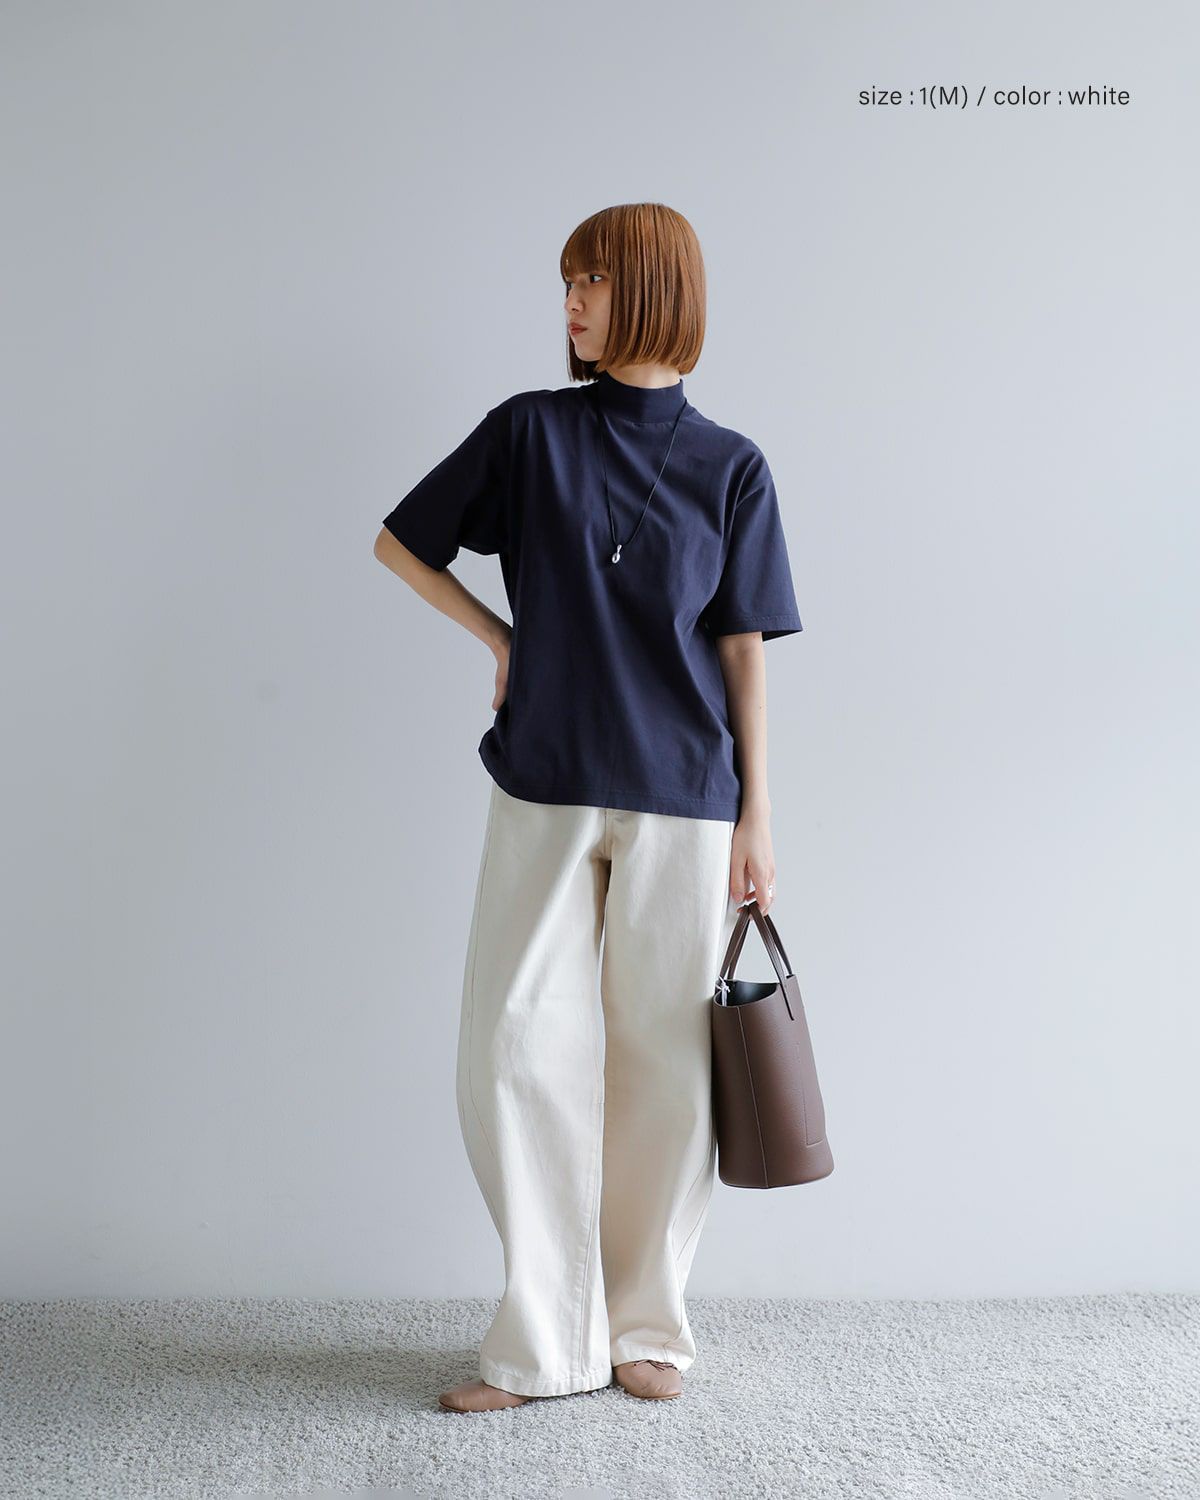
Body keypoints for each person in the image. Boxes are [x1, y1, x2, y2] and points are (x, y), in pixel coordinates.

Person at [373, 202, 804, 1412]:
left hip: (685, 794)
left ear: (657, 290)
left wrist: (760, 815)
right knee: (515, 1051)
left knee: (668, 1068)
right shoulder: (529, 433)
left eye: (595, 280)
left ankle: (646, 1327)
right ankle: (541, 1342)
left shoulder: (733, 467)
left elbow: (743, 650)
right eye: (567, 279)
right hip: (545, 777)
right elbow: (403, 542)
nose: (570, 301)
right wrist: (499, 637)